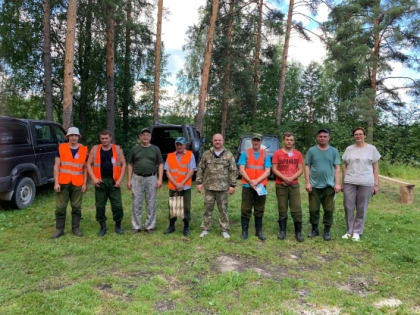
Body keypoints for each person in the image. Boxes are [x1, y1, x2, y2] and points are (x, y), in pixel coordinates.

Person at [341, 127, 380, 242]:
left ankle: (357, 232)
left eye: (360, 134)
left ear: (364, 136)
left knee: (361, 207)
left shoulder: (372, 149)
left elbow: (376, 167)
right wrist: (343, 182)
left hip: (366, 182)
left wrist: (376, 184)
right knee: (348, 206)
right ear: (354, 136)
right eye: (356, 134)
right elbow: (344, 166)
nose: (358, 136)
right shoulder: (349, 149)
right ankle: (349, 231)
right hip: (350, 182)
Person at [196, 133, 237, 239]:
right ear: (212, 141)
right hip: (209, 187)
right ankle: (205, 228)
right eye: (215, 140)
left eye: (219, 140)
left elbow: (233, 170)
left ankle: (224, 230)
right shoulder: (206, 154)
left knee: (223, 209)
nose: (217, 142)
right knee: (207, 209)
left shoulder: (228, 155)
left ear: (223, 141)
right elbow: (200, 169)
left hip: (223, 188)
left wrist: (232, 185)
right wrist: (199, 183)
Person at [87, 130, 126, 236]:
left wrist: (119, 180)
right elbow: (88, 164)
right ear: (100, 139)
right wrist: (94, 178)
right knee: (100, 206)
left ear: (110, 138)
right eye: (102, 138)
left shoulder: (117, 149)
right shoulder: (95, 149)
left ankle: (118, 225)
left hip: (114, 182)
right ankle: (102, 226)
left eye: (106, 138)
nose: (104, 140)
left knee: (117, 205)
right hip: (100, 182)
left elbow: (123, 164)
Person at [305, 129, 341, 241]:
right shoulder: (311, 151)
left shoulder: (334, 151)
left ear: (328, 138)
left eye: (325, 136)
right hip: (314, 186)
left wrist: (337, 183)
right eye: (320, 136)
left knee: (329, 210)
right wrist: (307, 182)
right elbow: (307, 166)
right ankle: (315, 229)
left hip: (329, 186)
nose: (322, 138)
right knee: (313, 209)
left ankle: (326, 231)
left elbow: (337, 167)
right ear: (317, 138)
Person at [52, 127, 88, 239]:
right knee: (60, 207)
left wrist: (84, 183)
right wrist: (56, 182)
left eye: (75, 135)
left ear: (78, 137)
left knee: (77, 207)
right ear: (67, 137)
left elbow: (85, 168)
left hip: (78, 182)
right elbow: (56, 166)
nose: (73, 137)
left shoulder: (83, 149)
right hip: (63, 182)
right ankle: (59, 229)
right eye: (71, 135)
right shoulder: (61, 148)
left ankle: (75, 228)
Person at [127, 128, 163, 233]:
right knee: (136, 202)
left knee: (151, 202)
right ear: (140, 137)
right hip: (137, 178)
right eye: (143, 135)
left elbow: (160, 164)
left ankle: (149, 226)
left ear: (150, 137)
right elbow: (130, 164)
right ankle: (136, 226)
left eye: (147, 135)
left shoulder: (155, 149)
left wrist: (160, 179)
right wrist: (129, 180)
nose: (145, 137)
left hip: (151, 178)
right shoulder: (135, 149)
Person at [272, 132, 304, 242]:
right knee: (282, 208)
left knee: (297, 209)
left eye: (291, 140)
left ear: (293, 141)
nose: (289, 141)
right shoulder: (277, 153)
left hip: (294, 185)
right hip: (281, 185)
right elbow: (274, 169)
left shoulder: (298, 154)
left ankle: (298, 232)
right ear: (283, 141)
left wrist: (291, 178)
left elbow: (300, 170)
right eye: (287, 139)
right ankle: (282, 231)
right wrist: (285, 178)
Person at [238, 133, 271, 240]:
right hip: (247, 185)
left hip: (261, 185)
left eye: (258, 140)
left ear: (261, 142)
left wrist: (256, 181)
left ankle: (259, 232)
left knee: (259, 208)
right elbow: (241, 169)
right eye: (254, 140)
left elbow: (267, 171)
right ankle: (244, 232)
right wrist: (250, 181)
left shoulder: (266, 154)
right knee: (245, 209)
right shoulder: (245, 153)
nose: (256, 142)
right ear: (251, 141)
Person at [164, 137, 196, 236]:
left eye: (181, 144)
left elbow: (191, 171)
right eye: (177, 144)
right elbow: (167, 171)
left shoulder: (190, 155)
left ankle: (186, 227)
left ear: (184, 145)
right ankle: (171, 226)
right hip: (174, 186)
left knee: (186, 207)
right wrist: (176, 184)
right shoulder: (170, 156)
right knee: (174, 207)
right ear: (175, 145)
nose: (179, 146)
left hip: (185, 186)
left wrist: (181, 183)